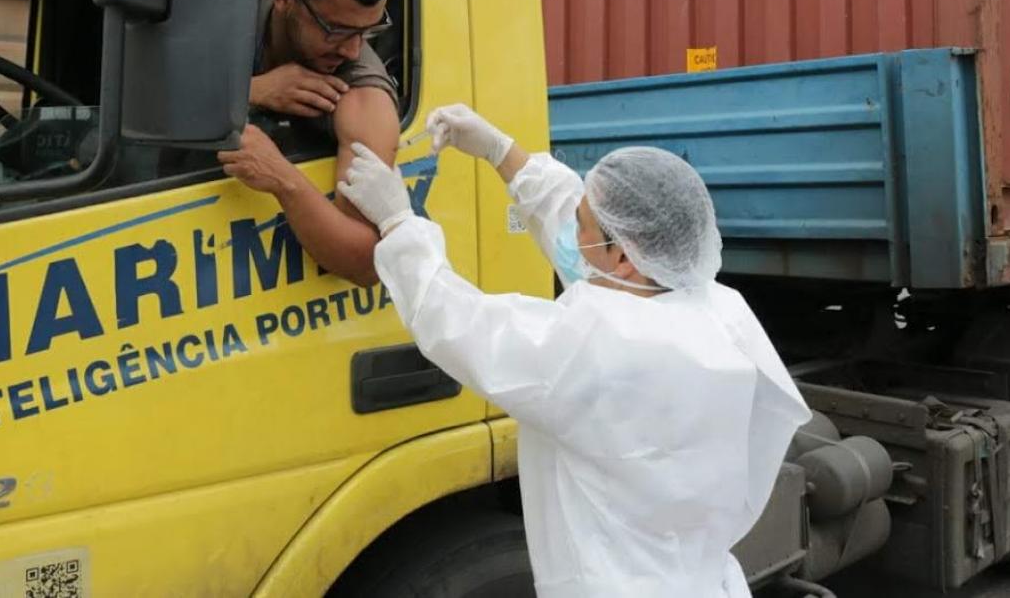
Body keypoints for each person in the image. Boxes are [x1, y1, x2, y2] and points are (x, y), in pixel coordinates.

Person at [338, 104, 811, 598]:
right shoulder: (718, 310)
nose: (571, 233)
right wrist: (500, 151)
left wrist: (397, 220)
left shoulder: (592, 344)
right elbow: (591, 232)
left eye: (582, 226)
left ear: (626, 257)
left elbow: (455, 319)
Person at [217, 0, 400, 287]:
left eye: (367, 31)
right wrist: (251, 92)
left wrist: (283, 179)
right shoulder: (221, 7)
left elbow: (365, 260)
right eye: (337, 30)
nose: (352, 49)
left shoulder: (364, 94)